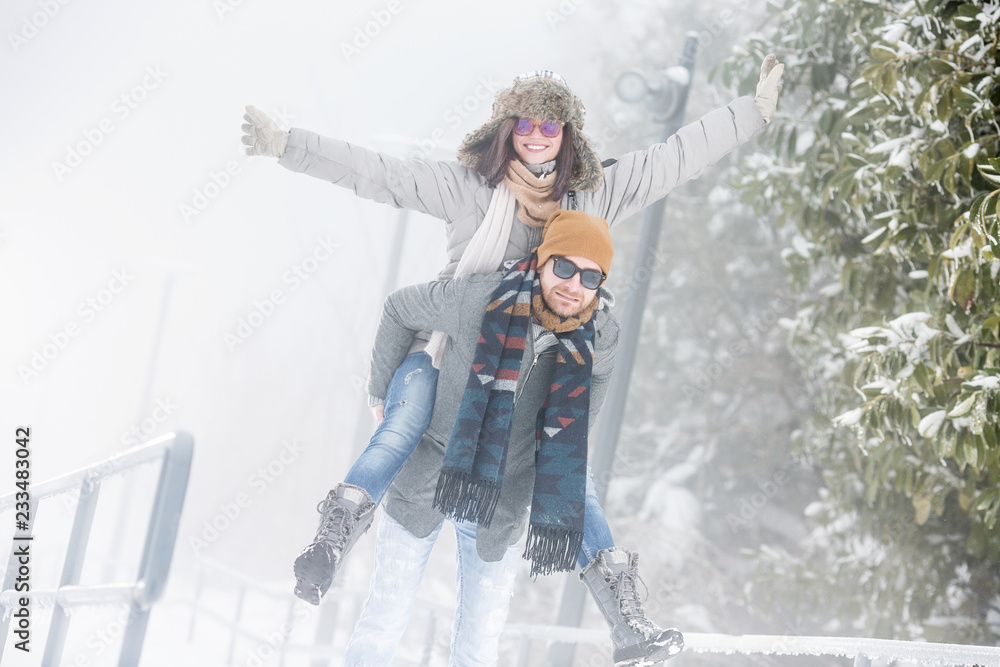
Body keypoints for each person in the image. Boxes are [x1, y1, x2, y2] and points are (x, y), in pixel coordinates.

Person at [241, 54, 782, 659]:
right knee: (403, 444)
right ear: (505, 130)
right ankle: (340, 523)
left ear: (567, 135)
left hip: (534, 390)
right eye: (523, 124)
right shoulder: (470, 189)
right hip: (451, 350)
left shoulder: (594, 195)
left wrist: (751, 114)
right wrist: (286, 144)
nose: (535, 137)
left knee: (567, 488)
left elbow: (673, 158)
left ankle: (623, 614)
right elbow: (378, 174)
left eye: (550, 127)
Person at [346, 210, 675, 666]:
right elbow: (399, 308)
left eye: (590, 276)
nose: (573, 284)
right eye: (563, 266)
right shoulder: (479, 299)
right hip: (432, 472)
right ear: (541, 260)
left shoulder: (600, 337)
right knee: (384, 620)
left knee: (479, 646)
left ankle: (626, 618)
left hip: (504, 499)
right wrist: (380, 391)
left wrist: (564, 448)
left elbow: (591, 395)